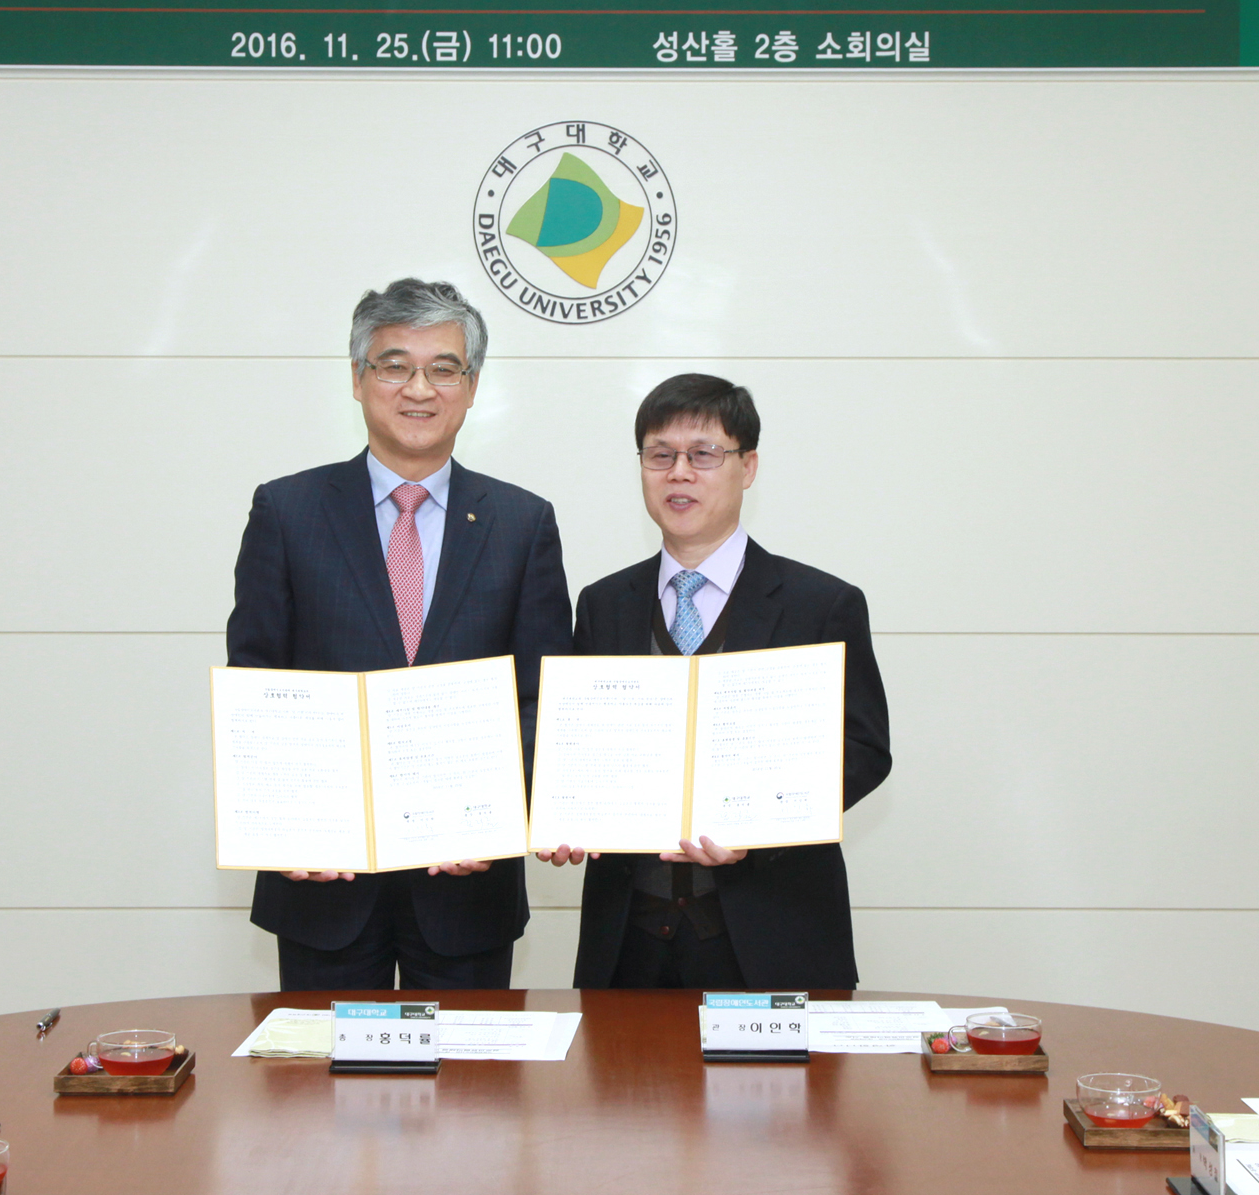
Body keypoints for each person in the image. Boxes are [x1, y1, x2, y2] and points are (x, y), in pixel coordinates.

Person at [227, 277, 571, 989]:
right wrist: (286, 825)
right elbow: (257, 685)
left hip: (467, 886)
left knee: (472, 1064)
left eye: (444, 368)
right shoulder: (287, 511)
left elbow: (543, 698)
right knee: (320, 1063)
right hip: (323, 880)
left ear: (471, 388)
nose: (419, 389)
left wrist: (495, 816)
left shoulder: (522, 523)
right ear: (358, 379)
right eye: (394, 366)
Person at [540, 373, 891, 989]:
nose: (679, 473)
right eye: (660, 455)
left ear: (747, 466)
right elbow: (577, 746)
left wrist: (763, 826)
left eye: (703, 454)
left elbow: (863, 750)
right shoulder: (603, 603)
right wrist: (562, 812)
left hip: (773, 933)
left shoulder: (820, 603)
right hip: (628, 943)